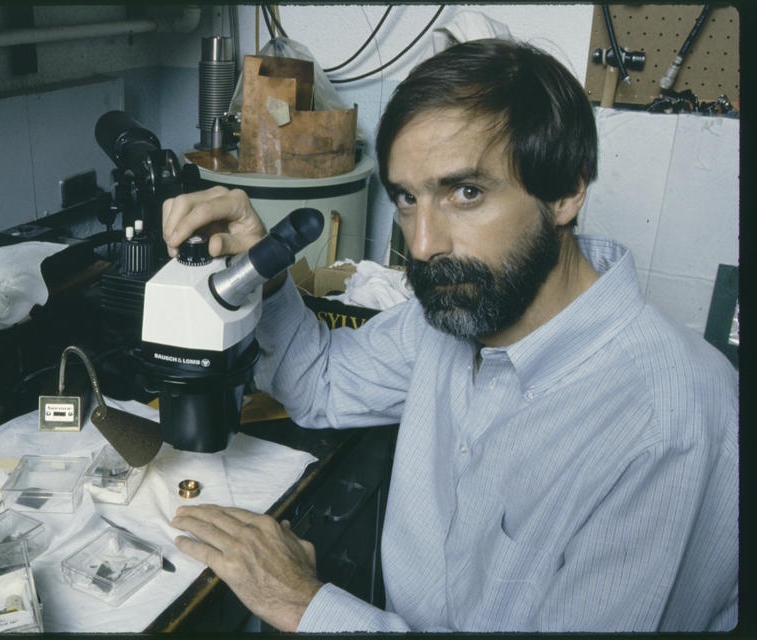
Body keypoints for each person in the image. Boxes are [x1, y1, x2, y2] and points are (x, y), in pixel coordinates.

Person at [161, 38, 739, 633]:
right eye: (408, 199)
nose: (422, 245)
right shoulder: (458, 311)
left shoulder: (668, 421)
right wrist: (267, 269)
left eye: (466, 193)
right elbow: (319, 382)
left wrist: (306, 607)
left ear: (566, 190)